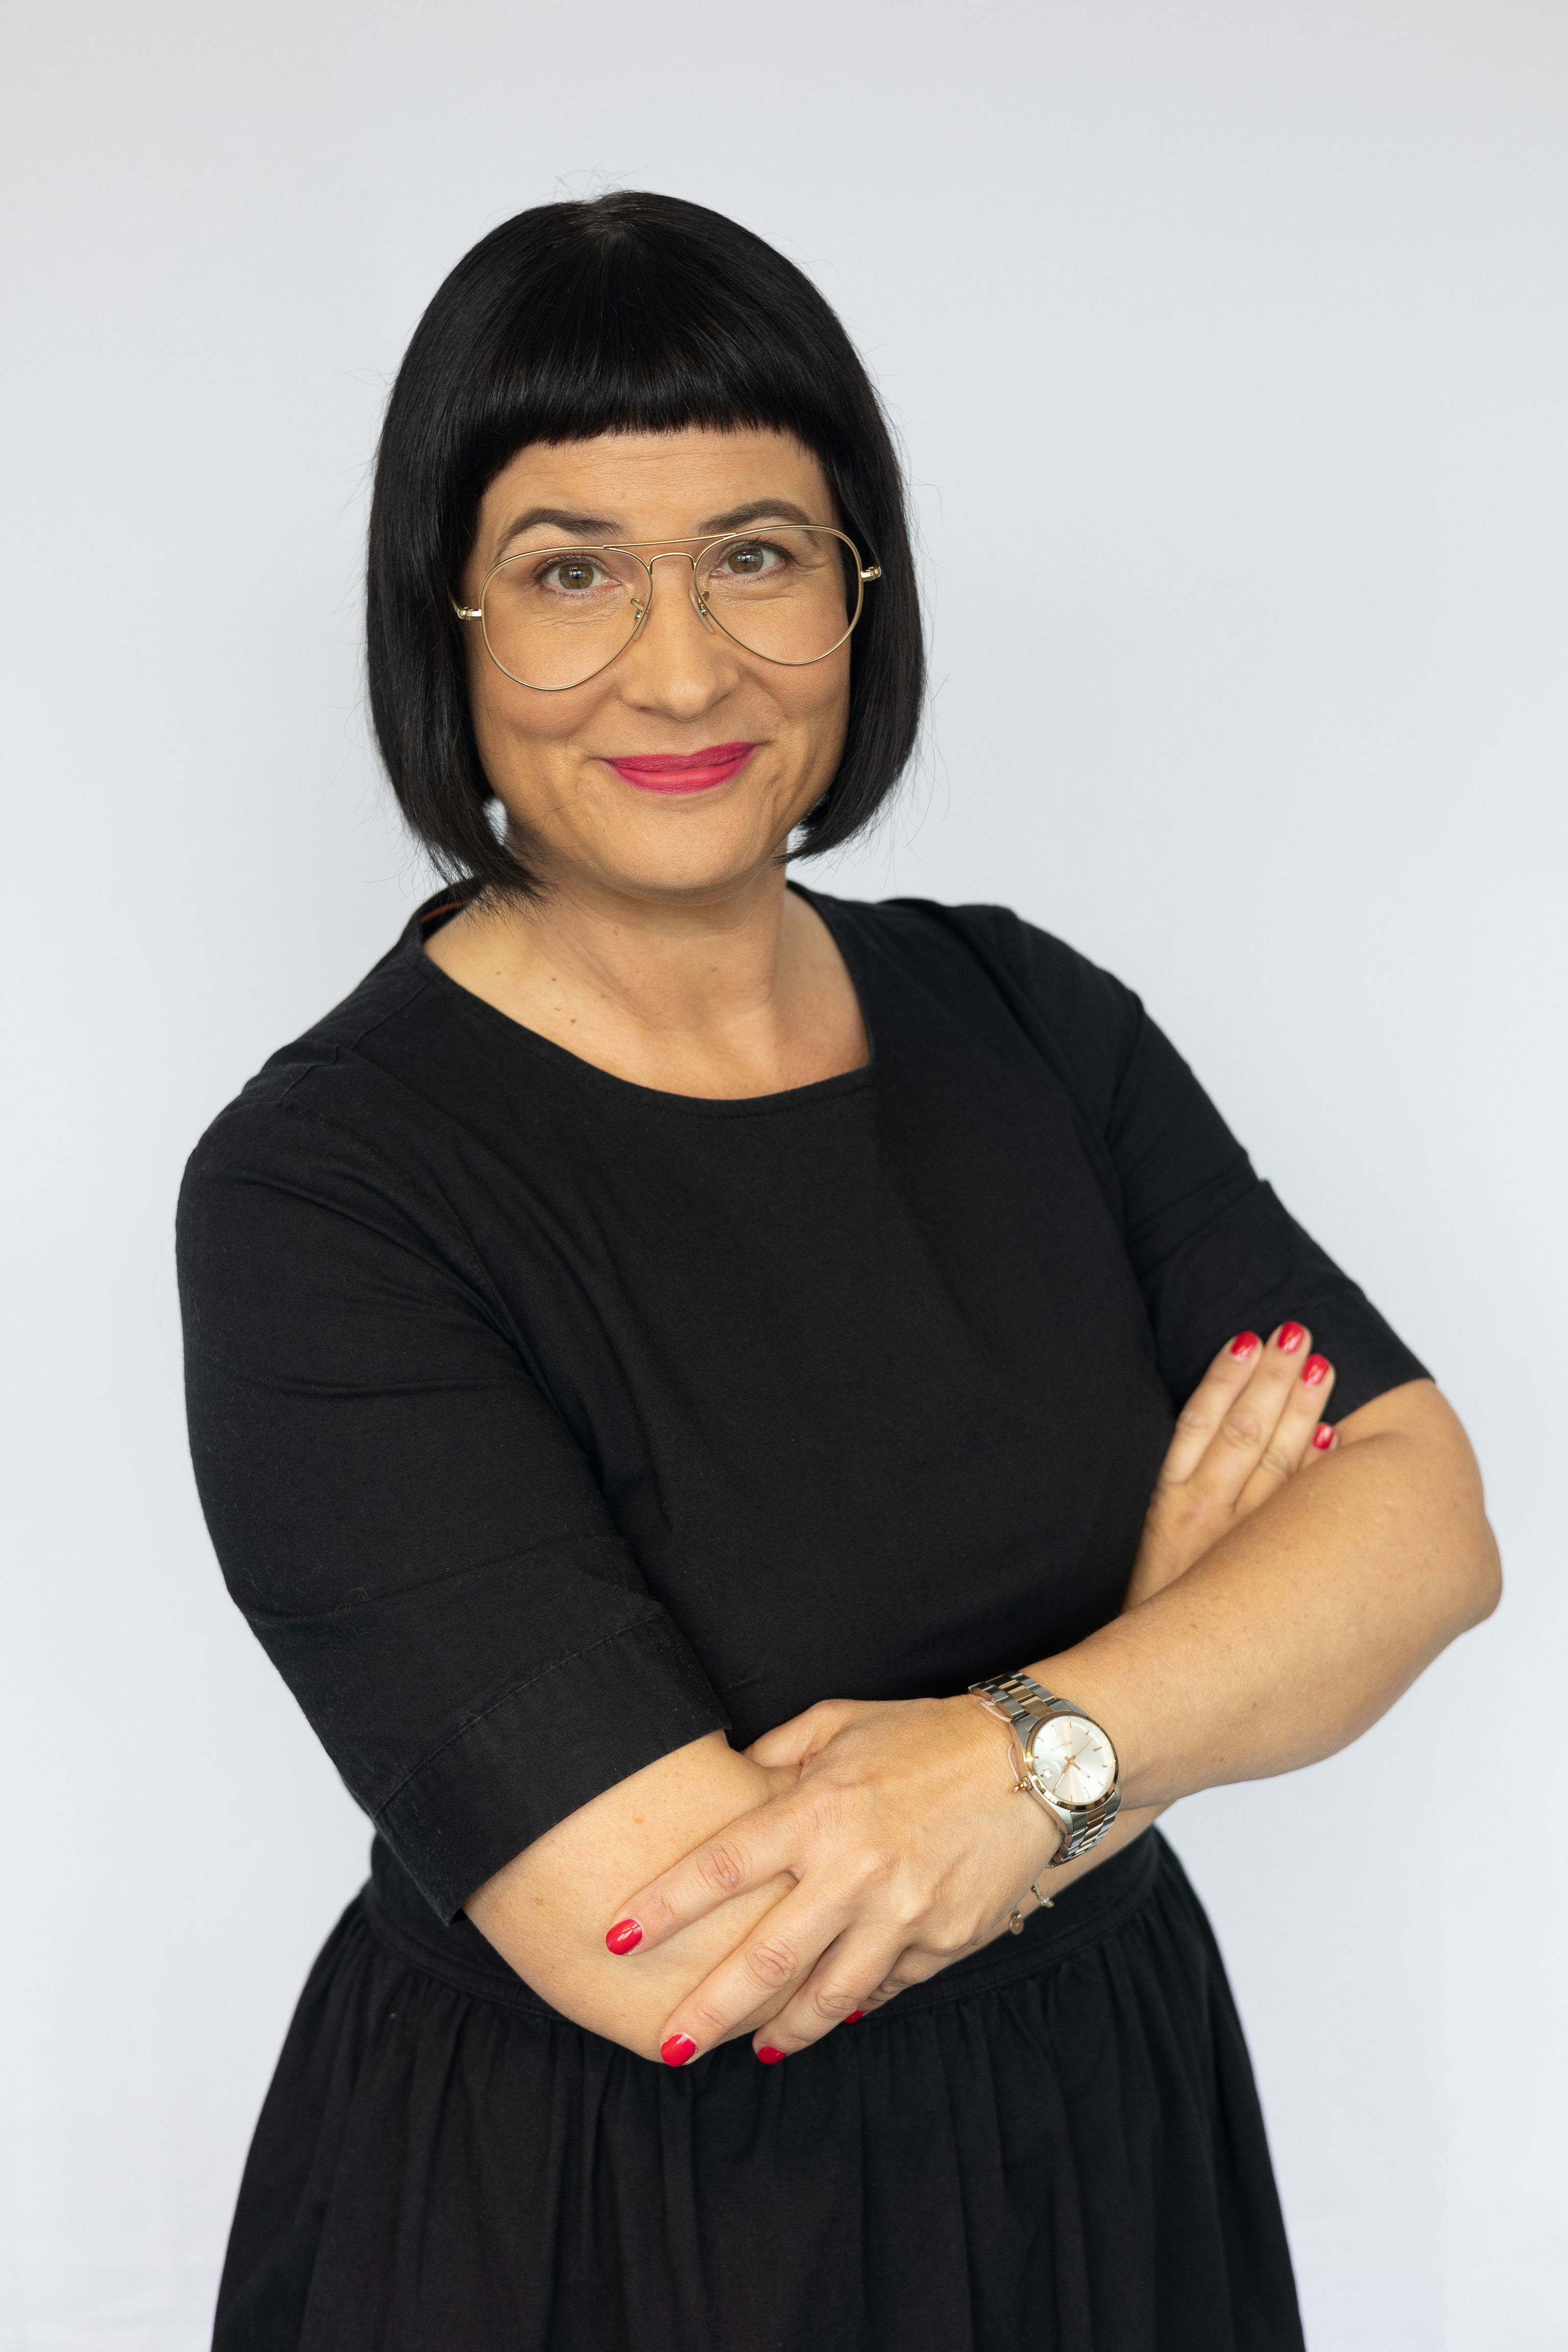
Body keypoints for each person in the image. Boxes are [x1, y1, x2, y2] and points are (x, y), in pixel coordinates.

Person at [176, 191, 1499, 2352]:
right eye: (572, 571)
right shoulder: (328, 1194)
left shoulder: (1032, 1023)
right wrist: (1160, 1685)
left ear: (859, 594)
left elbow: (1425, 1531)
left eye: (758, 557)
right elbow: (683, 1955)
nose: (683, 668)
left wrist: (1009, 1765)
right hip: (605, 2239)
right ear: (450, 621)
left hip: (1102, 2169)